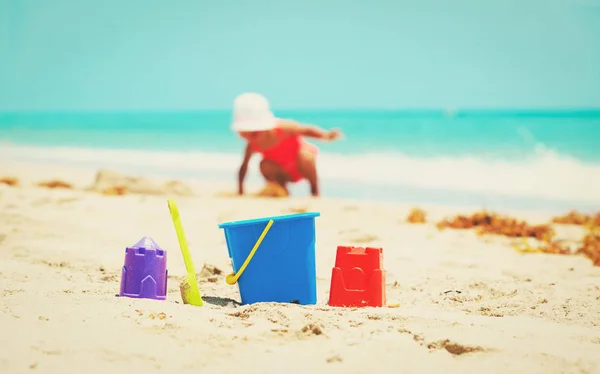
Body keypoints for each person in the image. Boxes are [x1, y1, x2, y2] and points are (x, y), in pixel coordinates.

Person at [232, 92, 342, 197]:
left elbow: (307, 130)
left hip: (300, 165)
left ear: (264, 127)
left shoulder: (283, 129)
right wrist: (240, 190)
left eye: (254, 133)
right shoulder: (252, 145)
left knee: (305, 155)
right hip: (282, 172)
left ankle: (314, 191)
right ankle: (281, 190)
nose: (249, 138)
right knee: (264, 164)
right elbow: (244, 167)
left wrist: (325, 136)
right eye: (243, 134)